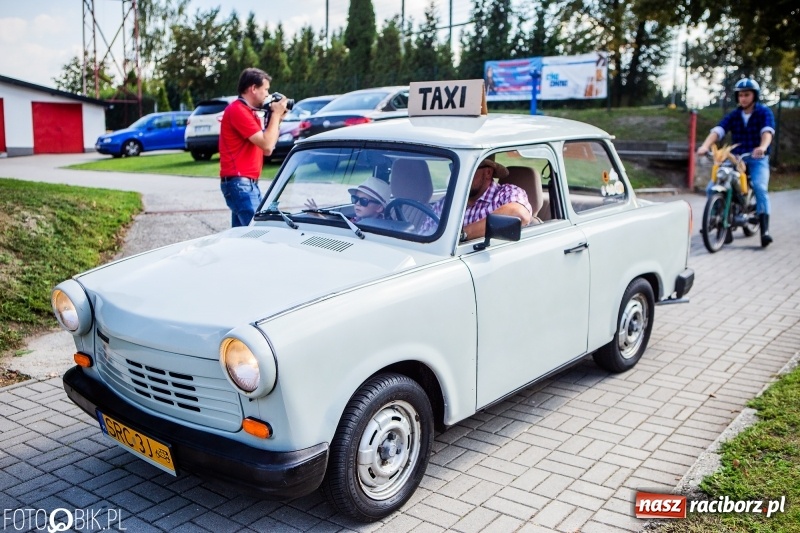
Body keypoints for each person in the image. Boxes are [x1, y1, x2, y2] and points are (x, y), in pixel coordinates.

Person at [697, 78, 776, 247]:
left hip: (756, 158)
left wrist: (762, 147)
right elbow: (718, 131)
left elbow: (767, 132)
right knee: (712, 186)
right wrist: (704, 146)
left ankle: (765, 230)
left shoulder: (764, 112)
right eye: (740, 95)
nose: (743, 98)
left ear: (754, 96)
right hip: (735, 158)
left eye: (747, 94)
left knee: (760, 187)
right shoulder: (734, 115)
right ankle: (717, 220)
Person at [219, 67, 289, 227]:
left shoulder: (249, 112)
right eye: (265, 89)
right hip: (240, 183)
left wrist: (277, 119)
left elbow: (267, 149)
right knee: (259, 230)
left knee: (241, 238)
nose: (267, 94)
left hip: (247, 184)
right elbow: (267, 143)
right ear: (253, 88)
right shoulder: (238, 110)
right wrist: (276, 114)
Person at [422, 158, 533, 239]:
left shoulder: (506, 193)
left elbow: (520, 214)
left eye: (467, 169)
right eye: (454, 168)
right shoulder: (445, 203)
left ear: (488, 173)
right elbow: (425, 236)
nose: (459, 175)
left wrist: (463, 234)